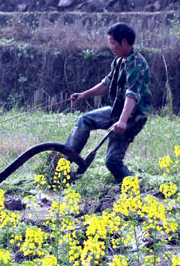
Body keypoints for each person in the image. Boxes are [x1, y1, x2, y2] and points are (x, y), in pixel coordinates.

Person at [64, 22, 152, 183]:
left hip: (133, 116)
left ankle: (133, 189)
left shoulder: (136, 64)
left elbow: (132, 95)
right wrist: (83, 95)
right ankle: (62, 164)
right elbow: (107, 83)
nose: (111, 47)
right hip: (117, 111)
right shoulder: (119, 61)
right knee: (85, 120)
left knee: (112, 162)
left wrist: (122, 121)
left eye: (113, 43)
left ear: (124, 42)